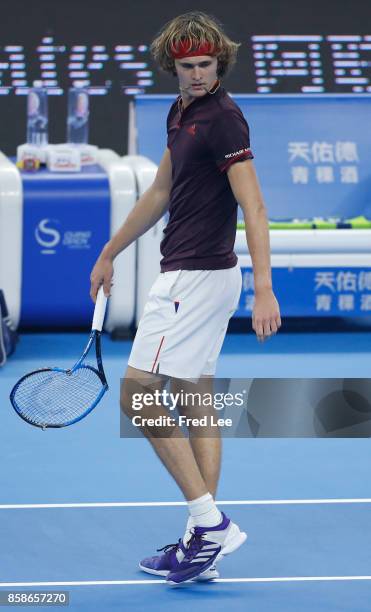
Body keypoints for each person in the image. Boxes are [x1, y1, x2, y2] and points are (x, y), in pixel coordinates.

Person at [90, 11, 281, 585]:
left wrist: (266, 288)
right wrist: (109, 252)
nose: (198, 75)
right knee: (197, 400)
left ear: (218, 63)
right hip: (198, 277)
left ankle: (209, 522)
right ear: (171, 66)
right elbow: (160, 192)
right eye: (187, 66)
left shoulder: (224, 120)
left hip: (195, 280)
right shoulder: (182, 113)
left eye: (206, 65)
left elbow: (254, 206)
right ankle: (204, 544)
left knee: (136, 397)